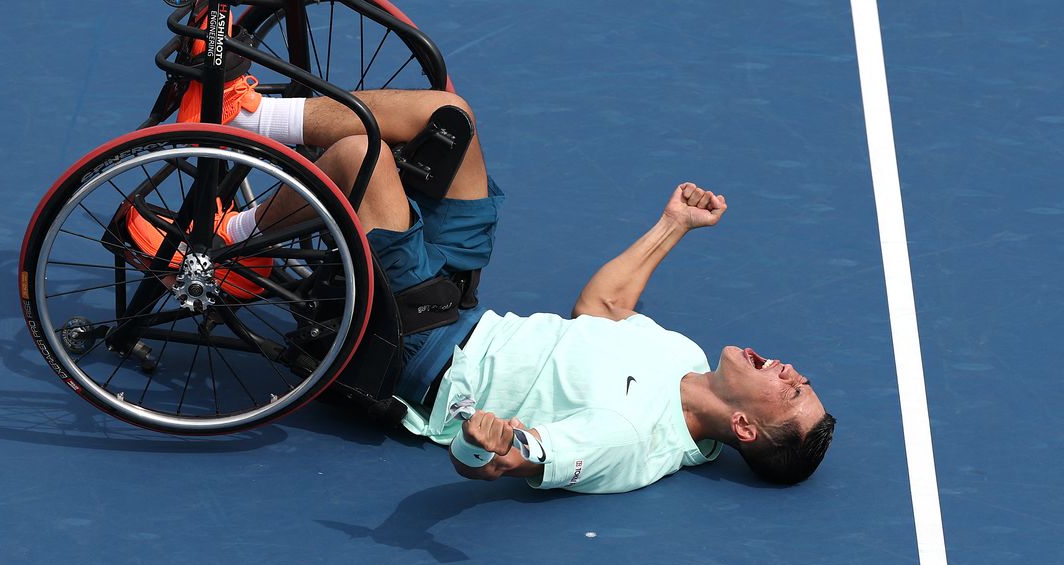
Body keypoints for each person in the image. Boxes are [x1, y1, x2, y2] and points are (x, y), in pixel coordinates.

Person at [193, 77, 836, 494]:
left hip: (420, 349)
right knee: (451, 120)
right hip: (460, 304)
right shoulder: (685, 359)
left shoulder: (631, 439)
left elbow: (520, 456)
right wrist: (673, 225)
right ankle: (245, 118)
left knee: (365, 158)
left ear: (747, 429)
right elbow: (601, 308)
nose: (789, 370)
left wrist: (485, 448)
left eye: (792, 391)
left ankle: (233, 248)